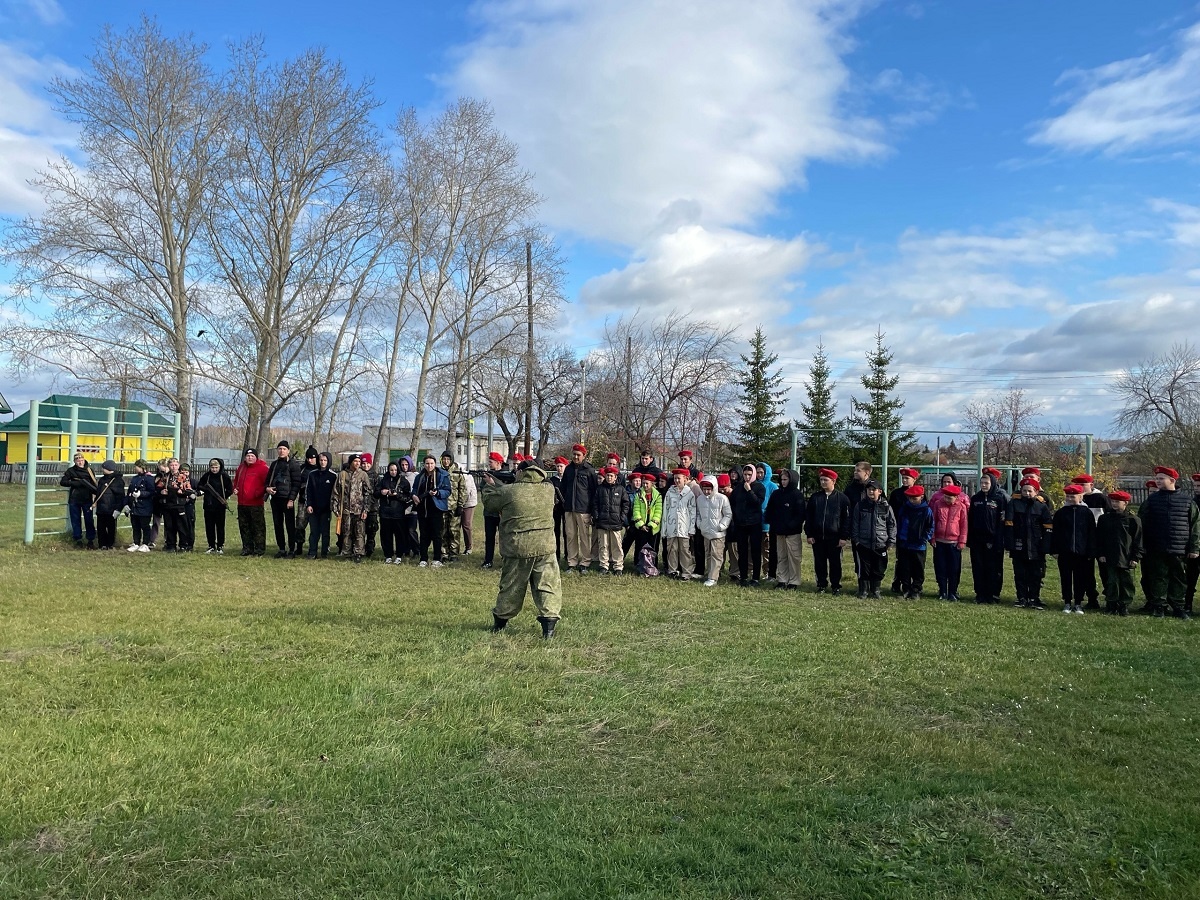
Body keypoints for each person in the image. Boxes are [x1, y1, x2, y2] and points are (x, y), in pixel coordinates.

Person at [483, 460, 562, 639]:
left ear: (520, 473)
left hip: (518, 548)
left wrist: (489, 486)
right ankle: (549, 626)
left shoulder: (508, 491)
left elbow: (490, 502)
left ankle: (500, 622)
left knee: (511, 587)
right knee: (547, 586)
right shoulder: (548, 490)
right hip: (545, 547)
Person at [1138, 466, 1199, 619]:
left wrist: (1194, 548)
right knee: (1158, 577)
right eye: (1157, 479)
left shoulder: (1187, 501)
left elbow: (1195, 526)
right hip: (1156, 547)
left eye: (1161, 479)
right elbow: (1142, 524)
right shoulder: (1151, 501)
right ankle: (1159, 606)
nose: (1157, 481)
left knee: (1179, 578)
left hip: (1180, 548)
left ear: (1172, 480)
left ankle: (1178, 606)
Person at [1005, 477, 1053, 609]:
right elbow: (1009, 524)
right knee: (1020, 573)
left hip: (1037, 546)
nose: (1027, 493)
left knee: (1036, 574)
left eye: (1030, 491)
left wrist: (1046, 545)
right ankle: (1021, 598)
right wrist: (1009, 543)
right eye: (1024, 491)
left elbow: (1048, 526)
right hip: (1019, 544)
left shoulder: (1042, 506)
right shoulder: (1014, 504)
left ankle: (1034, 598)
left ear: (1036, 492)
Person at [1052, 484, 1097, 614]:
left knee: (1080, 578)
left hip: (1082, 552)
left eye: (1073, 496)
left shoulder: (1086, 513)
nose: (1071, 499)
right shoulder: (1061, 513)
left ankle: (1078, 603)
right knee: (1065, 577)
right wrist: (1055, 549)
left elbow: (1091, 533)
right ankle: (1067, 601)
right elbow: (1056, 532)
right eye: (1068, 496)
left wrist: (1091, 550)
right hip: (1065, 551)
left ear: (1081, 496)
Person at [1096, 490, 1142, 616]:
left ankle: (1124, 605)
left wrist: (1135, 557)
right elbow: (1099, 538)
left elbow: (1138, 540)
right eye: (1113, 501)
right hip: (1109, 555)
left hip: (1126, 557)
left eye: (1118, 502)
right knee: (1111, 581)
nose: (1114, 504)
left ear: (1125, 503)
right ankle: (1111, 604)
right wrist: (1101, 554)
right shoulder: (1104, 519)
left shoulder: (1133, 520)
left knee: (1126, 582)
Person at [805, 468, 850, 594]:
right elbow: (809, 517)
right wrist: (809, 534)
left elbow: (846, 519)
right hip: (818, 537)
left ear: (833, 481)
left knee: (835, 563)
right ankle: (821, 584)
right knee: (819, 562)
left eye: (826, 480)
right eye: (821, 480)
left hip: (834, 537)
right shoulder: (815, 498)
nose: (823, 482)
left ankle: (835, 585)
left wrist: (843, 537)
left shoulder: (842, 498)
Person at [850, 479, 896, 599]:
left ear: (879, 491)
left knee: (879, 568)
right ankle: (863, 590)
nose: (871, 492)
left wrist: (891, 541)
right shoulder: (860, 505)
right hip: (863, 543)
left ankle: (876, 590)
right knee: (864, 568)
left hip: (880, 543)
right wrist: (856, 540)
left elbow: (891, 524)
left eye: (873, 489)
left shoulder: (886, 507)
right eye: (869, 489)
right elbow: (855, 523)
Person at [968, 468, 1009, 604]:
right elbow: (971, 520)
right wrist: (971, 539)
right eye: (982, 483)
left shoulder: (999, 498)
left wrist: (998, 540)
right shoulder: (975, 499)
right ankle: (980, 594)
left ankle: (993, 595)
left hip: (994, 540)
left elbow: (1002, 521)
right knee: (978, 567)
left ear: (992, 483)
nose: (984, 485)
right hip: (978, 541)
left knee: (994, 568)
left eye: (986, 483)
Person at [765, 468, 805, 590]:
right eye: (781, 479)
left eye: (785, 479)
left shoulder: (797, 495)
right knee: (781, 557)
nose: (783, 482)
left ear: (792, 480)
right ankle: (782, 579)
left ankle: (794, 581)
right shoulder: (776, 494)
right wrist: (773, 524)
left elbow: (800, 515)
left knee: (794, 558)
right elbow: (770, 510)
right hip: (779, 532)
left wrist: (791, 526)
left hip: (792, 533)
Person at [560, 444, 598, 573]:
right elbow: (563, 488)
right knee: (571, 536)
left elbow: (594, 492)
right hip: (569, 508)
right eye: (574, 454)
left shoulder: (589, 470)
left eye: (578, 455)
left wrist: (592, 510)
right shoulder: (568, 469)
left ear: (584, 456)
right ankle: (572, 562)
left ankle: (585, 562)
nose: (576, 457)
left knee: (584, 537)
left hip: (584, 509)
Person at [894, 484, 933, 600]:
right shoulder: (904, 508)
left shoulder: (926, 510)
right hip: (905, 543)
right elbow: (899, 523)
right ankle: (906, 589)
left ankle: (916, 589)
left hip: (919, 545)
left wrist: (925, 538)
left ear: (921, 497)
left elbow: (930, 526)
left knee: (918, 569)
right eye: (910, 498)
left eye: (914, 498)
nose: (912, 500)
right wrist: (900, 536)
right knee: (904, 568)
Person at [931, 483, 968, 601]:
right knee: (940, 567)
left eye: (950, 497)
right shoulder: (938, 504)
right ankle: (942, 591)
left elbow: (964, 525)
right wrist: (932, 537)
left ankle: (952, 591)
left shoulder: (961, 507)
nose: (947, 499)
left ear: (956, 497)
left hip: (954, 542)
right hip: (940, 541)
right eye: (945, 497)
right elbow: (933, 521)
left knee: (954, 568)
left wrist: (962, 541)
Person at [732, 463, 767, 586]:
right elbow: (733, 503)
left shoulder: (759, 487)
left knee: (755, 551)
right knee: (742, 551)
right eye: (745, 474)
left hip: (754, 523)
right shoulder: (738, 488)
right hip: (741, 524)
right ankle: (743, 577)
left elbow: (758, 502)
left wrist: (750, 491)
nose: (747, 477)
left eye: (749, 475)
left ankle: (755, 577)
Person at [412, 454, 450, 567]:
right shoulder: (420, 477)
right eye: (427, 464)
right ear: (424, 464)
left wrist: (438, 493)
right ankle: (423, 559)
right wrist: (414, 495)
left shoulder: (442, 475)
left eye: (432, 463)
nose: (429, 466)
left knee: (437, 534)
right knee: (423, 534)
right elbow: (414, 489)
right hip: (422, 508)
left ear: (435, 464)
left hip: (436, 508)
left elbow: (448, 491)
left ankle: (437, 559)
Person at [591, 466, 631, 574]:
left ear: (615, 477)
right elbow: (594, 504)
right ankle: (604, 565)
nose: (609, 478)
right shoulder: (600, 489)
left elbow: (626, 504)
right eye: (607, 475)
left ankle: (618, 566)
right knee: (603, 545)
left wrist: (621, 517)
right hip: (602, 522)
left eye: (611, 476)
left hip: (615, 522)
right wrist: (596, 516)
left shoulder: (621, 489)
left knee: (617, 545)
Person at [332, 454, 371, 563]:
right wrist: (335, 507)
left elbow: (367, 493)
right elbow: (336, 492)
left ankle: (358, 553)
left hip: (359, 509)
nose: (358, 463)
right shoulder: (342, 475)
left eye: (359, 461)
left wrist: (365, 510)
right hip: (346, 509)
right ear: (350, 462)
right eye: (355, 461)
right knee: (347, 532)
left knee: (359, 532)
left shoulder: (363, 475)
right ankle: (347, 552)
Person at [661, 467, 698, 579]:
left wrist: (692, 528)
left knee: (685, 550)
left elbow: (692, 512)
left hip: (684, 527)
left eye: (679, 479)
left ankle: (686, 572)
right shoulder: (669, 492)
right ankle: (672, 570)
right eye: (675, 478)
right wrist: (664, 528)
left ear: (685, 479)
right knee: (672, 549)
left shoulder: (689, 494)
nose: (677, 481)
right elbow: (665, 510)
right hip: (671, 525)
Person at [695, 475, 732, 586]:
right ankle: (710, 573)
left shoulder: (722, 498)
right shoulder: (700, 499)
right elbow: (698, 514)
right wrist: (700, 524)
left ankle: (713, 578)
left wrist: (721, 526)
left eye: (709, 489)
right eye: (704, 489)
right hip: (706, 532)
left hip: (718, 533)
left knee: (717, 555)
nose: (706, 491)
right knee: (709, 554)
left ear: (714, 488)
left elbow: (728, 514)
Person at [232, 449, 269, 556]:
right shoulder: (241, 467)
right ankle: (247, 548)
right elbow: (236, 481)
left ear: (256, 457)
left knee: (257, 527)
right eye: (248, 456)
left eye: (252, 456)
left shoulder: (262, 468)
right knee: (244, 527)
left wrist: (259, 493)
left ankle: (259, 549)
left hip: (256, 503)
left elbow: (267, 484)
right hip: (242, 503)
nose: (250, 458)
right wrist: (235, 489)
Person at [482, 452, 516, 569]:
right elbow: (484, 492)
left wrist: (492, 484)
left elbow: (507, 492)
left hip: (503, 512)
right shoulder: (487, 475)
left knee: (505, 538)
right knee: (489, 537)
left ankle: (505, 561)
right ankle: (488, 560)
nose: (489, 464)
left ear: (498, 463)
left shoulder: (509, 476)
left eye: (491, 462)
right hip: (490, 512)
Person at [889, 468, 920, 593]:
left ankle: (914, 584)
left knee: (915, 560)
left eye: (907, 478)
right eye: (903, 478)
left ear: (914, 479)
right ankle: (898, 582)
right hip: (900, 531)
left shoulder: (919, 493)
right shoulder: (896, 494)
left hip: (915, 532)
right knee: (901, 559)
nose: (905, 480)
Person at [376, 460, 413, 563]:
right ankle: (388, 555)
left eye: (395, 470)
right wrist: (383, 492)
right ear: (388, 470)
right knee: (386, 535)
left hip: (398, 513)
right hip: (385, 513)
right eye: (391, 470)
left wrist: (397, 495)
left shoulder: (403, 481)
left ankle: (399, 555)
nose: (393, 472)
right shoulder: (383, 480)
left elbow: (408, 498)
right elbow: (375, 493)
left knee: (400, 535)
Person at [59, 453, 98, 548]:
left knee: (89, 520)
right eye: (77, 460)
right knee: (75, 520)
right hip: (74, 499)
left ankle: (90, 540)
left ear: (84, 460)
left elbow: (94, 484)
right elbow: (63, 482)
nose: (80, 461)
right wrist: (75, 483)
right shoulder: (70, 471)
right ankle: (78, 540)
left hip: (87, 499)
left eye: (81, 460)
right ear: (75, 462)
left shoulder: (89, 470)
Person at [196, 458, 233, 554]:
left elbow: (230, 489)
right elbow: (199, 485)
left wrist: (224, 496)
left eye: (216, 467)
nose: (214, 469)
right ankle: (211, 545)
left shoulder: (224, 476)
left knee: (220, 526)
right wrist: (206, 490)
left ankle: (220, 546)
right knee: (209, 526)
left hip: (220, 505)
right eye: (212, 467)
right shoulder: (207, 476)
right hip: (208, 505)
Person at [304, 452, 338, 559]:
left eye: (325, 460)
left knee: (325, 532)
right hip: (313, 508)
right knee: (314, 531)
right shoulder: (312, 474)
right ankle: (312, 552)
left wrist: (333, 507)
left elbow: (335, 493)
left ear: (328, 461)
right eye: (321, 460)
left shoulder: (333, 476)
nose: (322, 462)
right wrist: (308, 505)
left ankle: (324, 552)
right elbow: (308, 491)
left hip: (326, 509)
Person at [630, 471, 663, 577]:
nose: (644, 485)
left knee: (653, 548)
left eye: (647, 483)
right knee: (641, 547)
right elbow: (636, 510)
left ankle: (652, 567)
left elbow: (658, 512)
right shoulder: (638, 495)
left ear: (652, 484)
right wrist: (641, 524)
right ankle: (641, 567)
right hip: (642, 527)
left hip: (653, 528)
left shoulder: (658, 496)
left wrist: (651, 525)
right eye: (643, 483)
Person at [159, 458, 195, 552]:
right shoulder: (165, 477)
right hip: (168, 504)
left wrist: (182, 492)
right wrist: (161, 491)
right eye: (171, 465)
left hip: (179, 505)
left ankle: (183, 545)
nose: (173, 467)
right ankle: (171, 545)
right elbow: (158, 488)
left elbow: (189, 490)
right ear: (169, 466)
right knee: (169, 526)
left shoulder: (183, 477)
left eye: (175, 465)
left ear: (178, 466)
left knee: (181, 526)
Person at [440, 450, 468, 562]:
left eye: (448, 459)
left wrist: (461, 505)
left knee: (454, 531)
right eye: (444, 459)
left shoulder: (457, 472)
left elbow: (462, 489)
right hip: (442, 506)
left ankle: (454, 553)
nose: (446, 461)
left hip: (454, 505)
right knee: (442, 530)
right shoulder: (439, 472)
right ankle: (444, 553)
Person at [92, 460, 125, 551]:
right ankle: (102, 544)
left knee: (111, 527)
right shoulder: (102, 480)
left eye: (104, 467)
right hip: (101, 507)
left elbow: (120, 496)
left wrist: (118, 509)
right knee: (100, 527)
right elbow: (99, 493)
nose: (102, 469)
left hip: (111, 508)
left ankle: (110, 544)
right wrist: (95, 502)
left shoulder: (118, 481)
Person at [125, 459, 157, 552]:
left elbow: (151, 492)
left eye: (137, 466)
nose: (135, 468)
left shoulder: (149, 479)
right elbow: (130, 491)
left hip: (145, 506)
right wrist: (128, 503)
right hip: (135, 506)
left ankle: (146, 543)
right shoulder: (135, 478)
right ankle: (136, 542)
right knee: (135, 525)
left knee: (145, 525)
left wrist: (141, 494)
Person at [294, 446, 320, 556]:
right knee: (300, 524)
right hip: (303, 501)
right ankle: (299, 547)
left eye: (312, 458)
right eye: (308, 458)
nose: (310, 460)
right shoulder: (302, 469)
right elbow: (296, 483)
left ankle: (314, 548)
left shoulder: (320, 468)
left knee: (316, 527)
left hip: (316, 503)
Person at [398, 455, 420, 560]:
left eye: (406, 464)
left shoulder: (416, 476)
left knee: (411, 530)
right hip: (401, 508)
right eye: (402, 465)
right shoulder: (399, 476)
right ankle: (405, 550)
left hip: (413, 508)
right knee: (403, 531)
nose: (404, 467)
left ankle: (416, 550)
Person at [548, 455, 568, 561]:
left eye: (561, 466)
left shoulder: (568, 479)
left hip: (566, 508)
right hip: (556, 508)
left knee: (567, 532)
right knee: (556, 531)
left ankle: (567, 554)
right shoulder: (552, 480)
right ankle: (556, 554)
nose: (559, 468)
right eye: (557, 466)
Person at [360, 452, 380, 559]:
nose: (366, 466)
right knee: (360, 529)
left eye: (368, 463)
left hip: (372, 507)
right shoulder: (358, 474)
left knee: (371, 528)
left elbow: (378, 491)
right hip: (360, 506)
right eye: (363, 464)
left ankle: (370, 548)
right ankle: (360, 548)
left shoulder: (375, 475)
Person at [460, 461, 478, 555]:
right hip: (458, 503)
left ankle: (468, 547)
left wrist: (461, 504)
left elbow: (466, 492)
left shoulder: (467, 477)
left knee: (466, 524)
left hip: (468, 503)